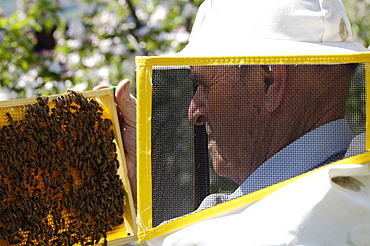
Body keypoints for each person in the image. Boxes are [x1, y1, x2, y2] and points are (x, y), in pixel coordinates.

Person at [96, 0, 370, 244]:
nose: (194, 112)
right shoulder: (352, 193)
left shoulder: (294, 225)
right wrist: (137, 202)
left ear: (268, 82)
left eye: (201, 84)